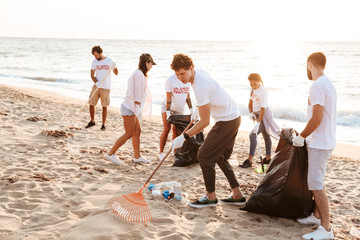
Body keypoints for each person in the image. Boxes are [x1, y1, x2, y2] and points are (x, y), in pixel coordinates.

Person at [171, 53, 246, 208]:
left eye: (183, 73)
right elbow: (211, 95)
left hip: (227, 121)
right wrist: (199, 108)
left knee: (204, 155)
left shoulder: (200, 86)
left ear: (191, 68)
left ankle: (210, 197)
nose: (180, 78)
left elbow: (205, 122)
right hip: (233, 116)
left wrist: (183, 137)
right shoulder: (200, 74)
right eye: (177, 74)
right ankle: (237, 194)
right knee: (220, 157)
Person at [294, 52, 336, 240]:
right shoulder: (328, 83)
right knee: (317, 182)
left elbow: (317, 118)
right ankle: (317, 216)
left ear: (309, 64)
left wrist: (301, 136)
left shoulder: (318, 86)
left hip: (319, 143)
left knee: (316, 185)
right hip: (324, 140)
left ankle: (326, 229)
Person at [105, 53, 156, 165]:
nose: (152, 66)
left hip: (132, 107)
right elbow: (136, 92)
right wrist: (137, 104)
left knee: (137, 131)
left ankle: (137, 157)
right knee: (129, 133)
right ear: (147, 62)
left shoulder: (140, 74)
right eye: (151, 64)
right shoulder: (138, 74)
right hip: (129, 107)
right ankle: (110, 154)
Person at [240, 73, 280, 168]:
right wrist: (251, 112)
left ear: (259, 81)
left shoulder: (263, 92)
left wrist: (258, 123)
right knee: (265, 135)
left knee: (252, 135)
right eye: (251, 84)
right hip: (257, 114)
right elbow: (250, 102)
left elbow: (262, 110)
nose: (253, 86)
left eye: (255, 84)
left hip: (264, 115)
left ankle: (249, 160)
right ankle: (268, 158)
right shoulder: (252, 88)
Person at [158, 74, 193, 160]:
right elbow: (168, 97)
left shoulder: (186, 80)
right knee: (167, 129)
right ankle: (161, 153)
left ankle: (175, 152)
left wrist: (191, 109)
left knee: (176, 131)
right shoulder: (170, 80)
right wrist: (168, 111)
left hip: (179, 109)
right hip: (168, 107)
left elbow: (187, 97)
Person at [86, 46, 118, 130]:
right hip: (96, 85)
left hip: (106, 87)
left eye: (96, 55)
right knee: (91, 103)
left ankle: (103, 125)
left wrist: (114, 67)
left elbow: (116, 73)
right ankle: (92, 121)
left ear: (101, 53)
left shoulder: (109, 61)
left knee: (104, 105)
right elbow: (92, 75)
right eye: (94, 55)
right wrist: (96, 82)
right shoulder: (94, 62)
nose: (95, 57)